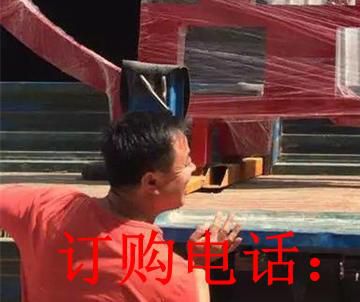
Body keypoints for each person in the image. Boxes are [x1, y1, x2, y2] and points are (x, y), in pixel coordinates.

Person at [0, 111, 242, 301]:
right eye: (187, 163)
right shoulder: (167, 276)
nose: (194, 168)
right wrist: (199, 262)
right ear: (151, 182)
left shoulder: (49, 207)